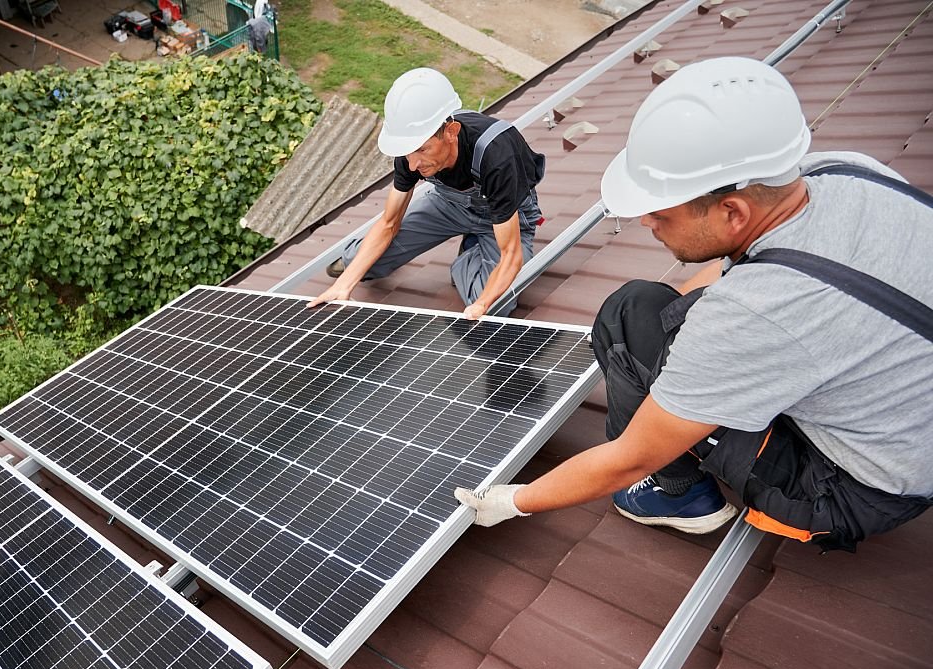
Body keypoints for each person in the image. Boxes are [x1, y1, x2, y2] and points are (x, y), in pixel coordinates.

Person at [454, 57, 933, 552]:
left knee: (623, 321)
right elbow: (738, 277)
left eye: (659, 213)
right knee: (653, 316)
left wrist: (517, 500)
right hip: (909, 418)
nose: (647, 224)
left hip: (853, 490)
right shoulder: (841, 172)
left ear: (732, 211)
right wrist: (681, 347)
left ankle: (675, 494)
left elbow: (630, 457)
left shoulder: (757, 313)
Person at [307, 67, 546, 320]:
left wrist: (481, 305)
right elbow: (389, 223)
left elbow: (511, 254)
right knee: (358, 262)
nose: (412, 165)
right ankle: (352, 261)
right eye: (408, 152)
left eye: (422, 150)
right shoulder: (410, 152)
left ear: (451, 132)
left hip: (504, 218)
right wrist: (344, 285)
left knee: (498, 304)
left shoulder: (497, 155)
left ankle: (471, 252)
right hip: (450, 205)